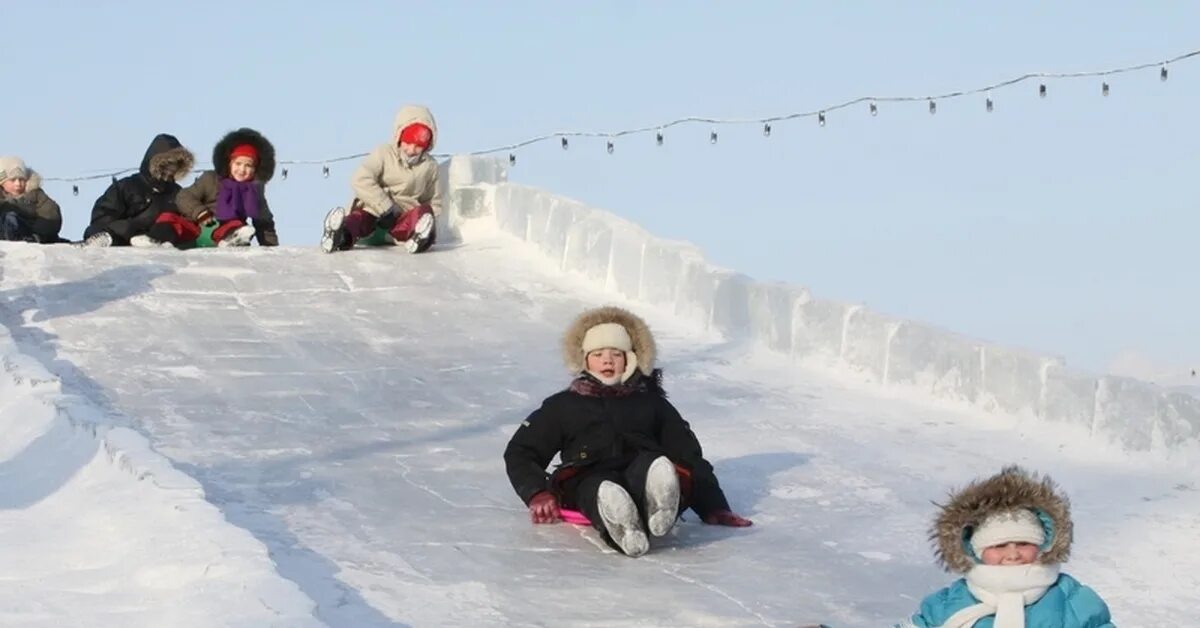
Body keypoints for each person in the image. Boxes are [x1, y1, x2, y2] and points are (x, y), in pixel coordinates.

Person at [504, 306, 752, 558]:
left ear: (631, 359)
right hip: (587, 474)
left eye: (616, 353)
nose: (607, 360)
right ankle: (622, 526)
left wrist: (714, 506)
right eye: (598, 353)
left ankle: (659, 506)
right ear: (584, 359)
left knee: (655, 463)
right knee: (595, 486)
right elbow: (521, 451)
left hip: (640, 472)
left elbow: (688, 454)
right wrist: (537, 492)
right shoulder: (564, 405)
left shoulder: (652, 403)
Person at [896, 465, 1114, 627]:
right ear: (976, 551)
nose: (1012, 554)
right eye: (999, 546)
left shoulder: (1070, 598)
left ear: (1044, 544)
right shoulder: (950, 602)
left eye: (1024, 543)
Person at [320, 104, 440, 254]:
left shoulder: (430, 167)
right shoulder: (383, 153)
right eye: (407, 142)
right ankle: (339, 235)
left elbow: (434, 201)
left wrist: (429, 219)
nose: (411, 150)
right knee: (359, 219)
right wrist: (386, 207)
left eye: (418, 146)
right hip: (373, 215)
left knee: (424, 212)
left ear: (427, 145)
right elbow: (360, 179)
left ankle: (419, 238)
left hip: (401, 223)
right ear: (399, 136)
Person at [80, 133, 194, 247]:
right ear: (156, 162)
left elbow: (187, 221)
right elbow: (104, 215)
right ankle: (106, 238)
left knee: (169, 227)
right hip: (124, 238)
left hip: (161, 239)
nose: (170, 169)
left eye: (176, 164)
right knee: (109, 228)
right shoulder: (127, 186)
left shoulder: (177, 192)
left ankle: (150, 240)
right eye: (167, 164)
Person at [175, 128, 279, 247]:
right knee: (169, 219)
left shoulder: (253, 191)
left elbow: (264, 223)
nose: (242, 170)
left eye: (248, 165)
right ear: (229, 163)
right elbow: (184, 196)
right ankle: (158, 242)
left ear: (255, 169)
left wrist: (271, 249)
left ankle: (234, 241)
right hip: (199, 226)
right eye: (238, 164)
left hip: (227, 228)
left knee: (237, 226)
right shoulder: (211, 179)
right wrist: (200, 213)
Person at [0, 156, 63, 243]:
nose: (18, 184)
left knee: (10, 218)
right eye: (13, 180)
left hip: (31, 234)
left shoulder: (35, 194)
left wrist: (37, 235)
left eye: (21, 180)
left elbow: (51, 215)